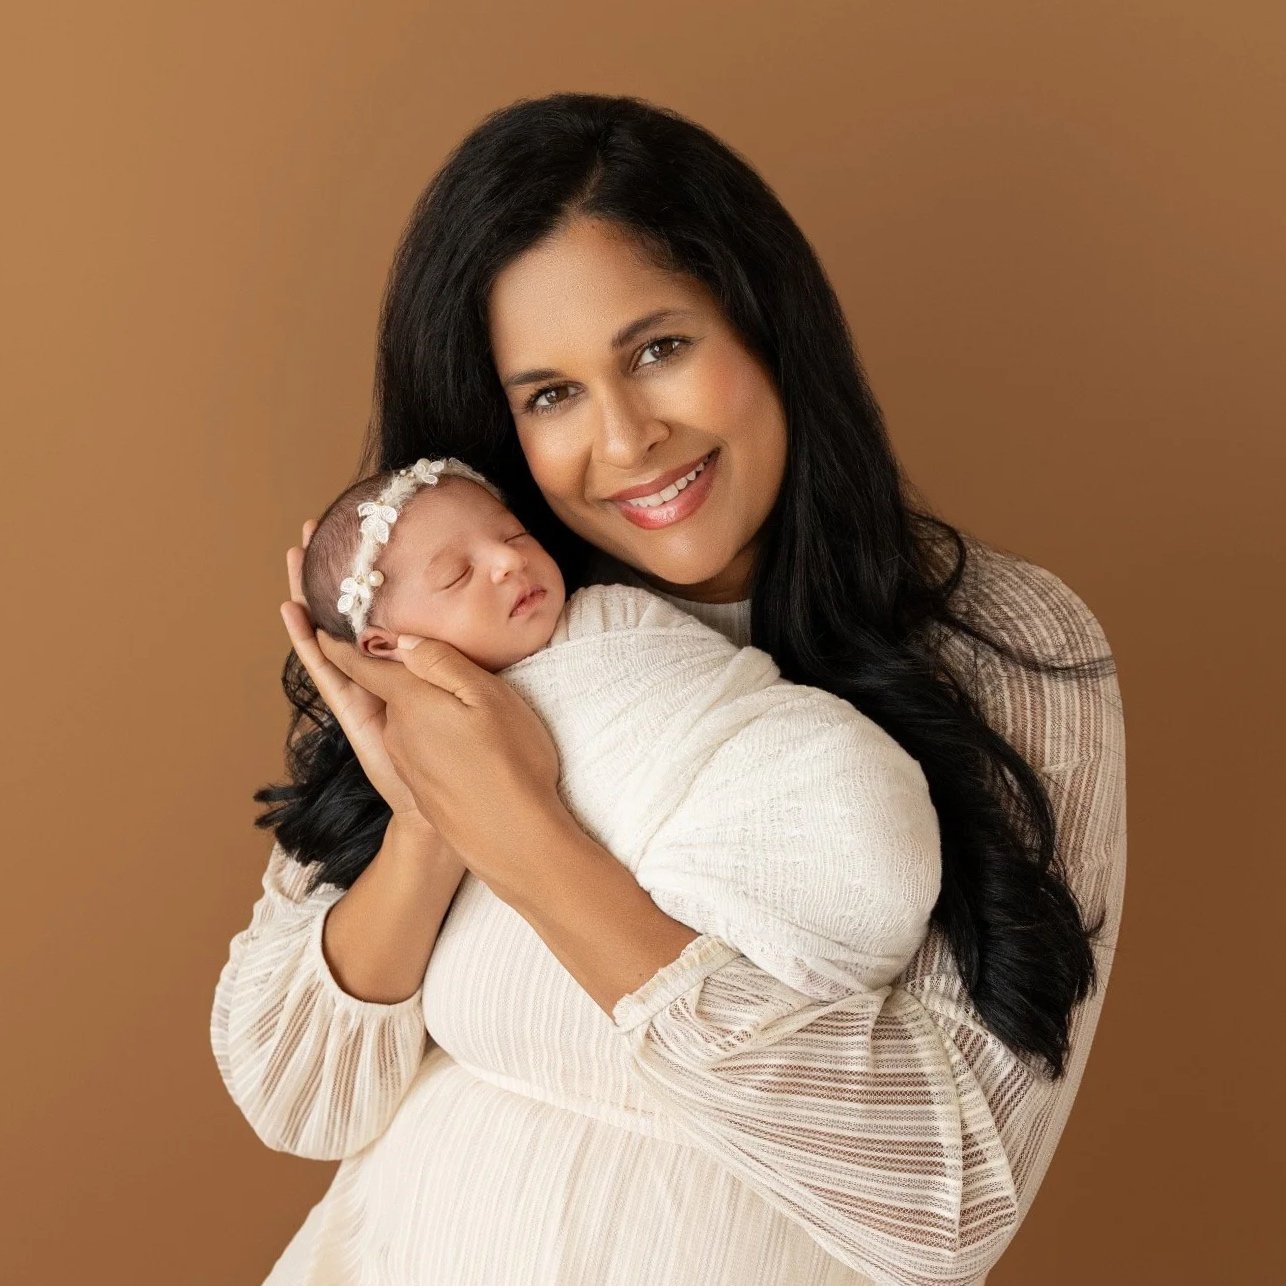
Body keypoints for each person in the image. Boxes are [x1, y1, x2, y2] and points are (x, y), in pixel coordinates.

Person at [210, 93, 1127, 1286]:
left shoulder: (1001, 645)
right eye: (549, 394)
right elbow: (293, 1091)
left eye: (657, 349)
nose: (627, 438)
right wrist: (432, 812)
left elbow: (943, 1200)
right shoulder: (469, 636)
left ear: (765, 329)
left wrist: (529, 839)